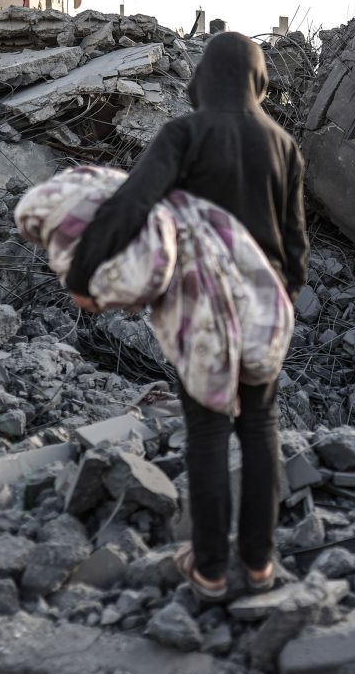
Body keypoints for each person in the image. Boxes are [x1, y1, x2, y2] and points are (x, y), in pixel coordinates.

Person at [64, 32, 309, 600]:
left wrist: (85, 276)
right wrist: (281, 301)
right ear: (257, 79)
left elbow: (131, 202)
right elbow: (296, 246)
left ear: (205, 77)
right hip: (263, 309)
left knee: (207, 430)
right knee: (259, 427)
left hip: (203, 309)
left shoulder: (184, 134)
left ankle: (211, 568)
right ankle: (259, 563)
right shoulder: (284, 145)